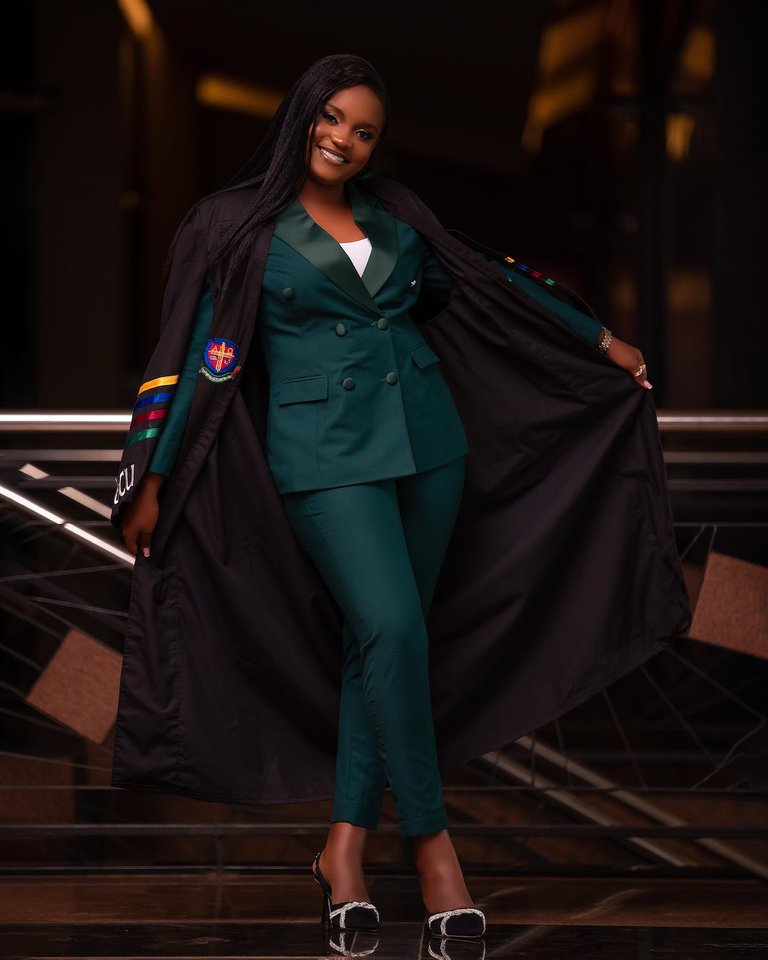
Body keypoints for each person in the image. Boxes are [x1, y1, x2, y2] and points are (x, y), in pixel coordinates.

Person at [112, 54, 689, 939]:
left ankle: (343, 852)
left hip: (430, 449)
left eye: (365, 130)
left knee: (374, 648)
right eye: (332, 118)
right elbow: (201, 356)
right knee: (395, 628)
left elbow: (488, 285)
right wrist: (152, 477)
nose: (344, 139)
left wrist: (600, 339)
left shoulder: (399, 216)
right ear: (303, 115)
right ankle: (432, 849)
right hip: (322, 458)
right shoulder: (234, 227)